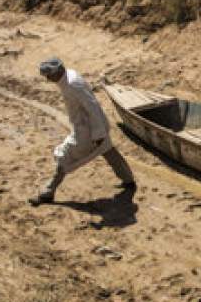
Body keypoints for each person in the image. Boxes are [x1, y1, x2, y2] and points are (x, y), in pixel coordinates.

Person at [31, 57, 135, 205]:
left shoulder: (72, 84)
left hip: (88, 130)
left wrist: (98, 133)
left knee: (65, 155)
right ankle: (129, 180)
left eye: (49, 75)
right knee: (108, 151)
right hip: (92, 126)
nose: (48, 79)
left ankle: (48, 191)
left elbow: (92, 107)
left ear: (57, 71)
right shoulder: (69, 76)